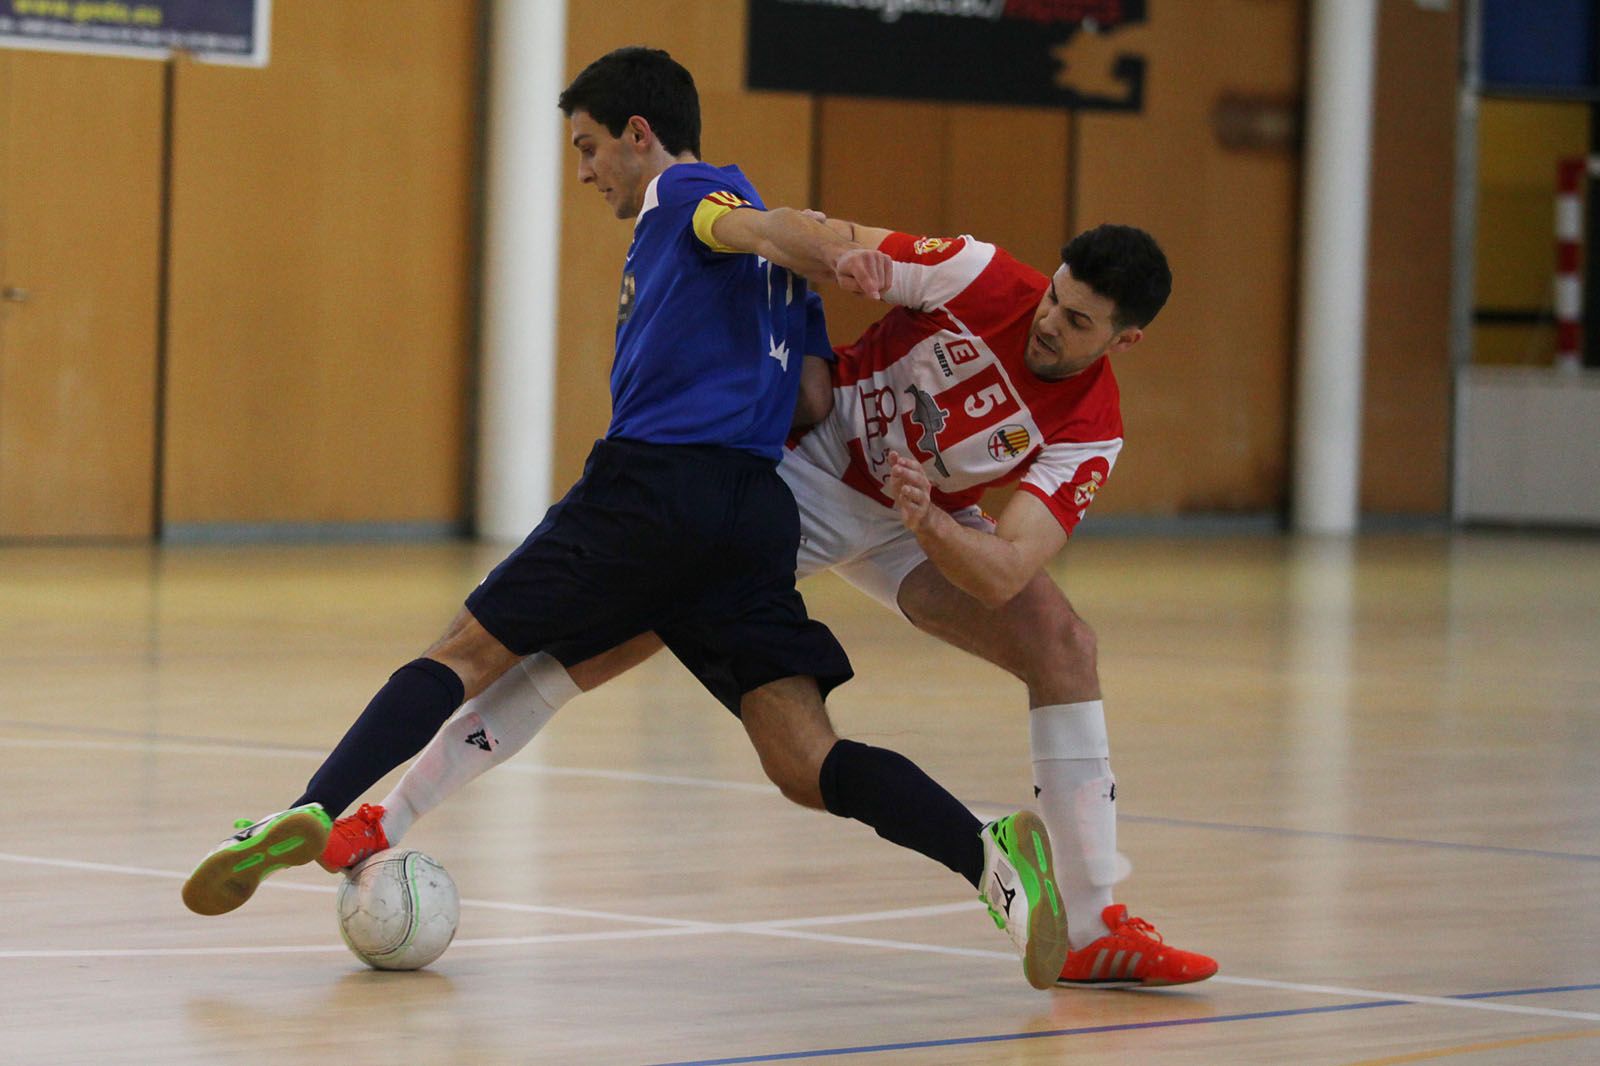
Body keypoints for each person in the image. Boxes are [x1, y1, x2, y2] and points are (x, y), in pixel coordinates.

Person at [181, 46, 1070, 993]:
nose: (585, 171)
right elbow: (813, 396)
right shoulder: (786, 290)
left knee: (466, 652)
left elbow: (747, 227)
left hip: (651, 485)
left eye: (591, 146)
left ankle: (313, 808)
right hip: (752, 513)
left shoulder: (688, 191)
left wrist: (819, 247)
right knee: (806, 759)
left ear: (640, 134)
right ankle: (989, 854)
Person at [320, 215, 1219, 989]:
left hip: (919, 521)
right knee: (599, 648)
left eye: (1078, 323)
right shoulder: (979, 274)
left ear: (1123, 340)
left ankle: (1095, 929)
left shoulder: (1093, 428)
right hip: (796, 474)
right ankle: (384, 816)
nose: (1049, 325)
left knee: (1063, 643)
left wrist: (929, 522)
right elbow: (829, 233)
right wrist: (854, 259)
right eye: (1056, 299)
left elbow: (1008, 567)